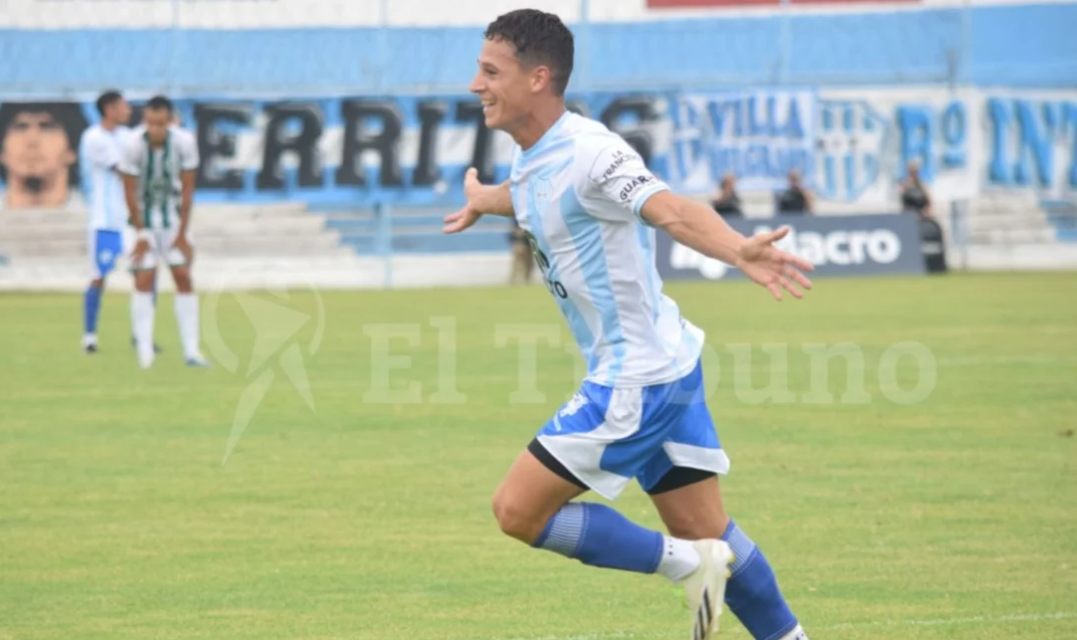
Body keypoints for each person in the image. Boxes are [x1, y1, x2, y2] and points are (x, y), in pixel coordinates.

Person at [443, 10, 812, 640]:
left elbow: (668, 210)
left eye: (489, 71)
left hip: (635, 378)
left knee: (518, 511)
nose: (476, 83)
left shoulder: (594, 153)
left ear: (538, 78)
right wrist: (488, 199)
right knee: (708, 527)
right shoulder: (536, 154)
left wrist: (735, 249)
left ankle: (692, 567)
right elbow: (535, 192)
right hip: (668, 363)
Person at [119, 95, 208, 369]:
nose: (155, 129)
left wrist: (182, 233)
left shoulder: (184, 142)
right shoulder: (132, 144)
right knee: (144, 278)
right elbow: (129, 192)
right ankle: (145, 351)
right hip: (140, 220)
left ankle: (192, 350)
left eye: (160, 124)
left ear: (170, 122)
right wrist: (142, 235)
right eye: (150, 123)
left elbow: (188, 189)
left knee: (183, 276)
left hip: (171, 218)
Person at [0, 102, 86, 209]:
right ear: (2, 152)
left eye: (47, 127)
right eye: (20, 127)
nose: (32, 140)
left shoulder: (97, 216)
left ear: (72, 150)